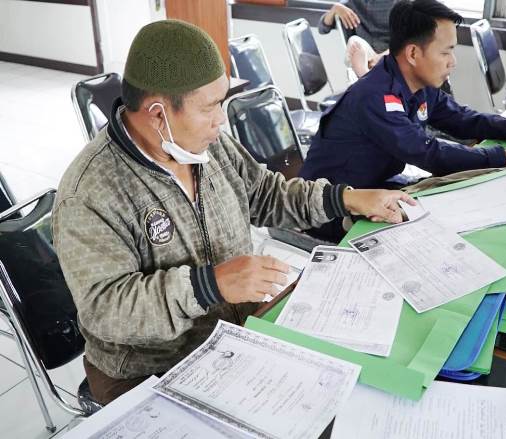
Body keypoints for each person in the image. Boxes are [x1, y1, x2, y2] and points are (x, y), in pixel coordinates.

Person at [52, 20, 414, 405]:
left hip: (234, 327)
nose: (220, 119)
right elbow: (106, 312)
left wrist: (346, 199)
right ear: (158, 114)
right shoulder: (91, 193)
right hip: (150, 368)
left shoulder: (201, 143)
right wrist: (210, 284)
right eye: (210, 107)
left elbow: (265, 193)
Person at [300, 0, 506, 189]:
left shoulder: (419, 85)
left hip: (376, 185)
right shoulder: (375, 96)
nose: (452, 62)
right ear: (413, 54)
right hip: (333, 205)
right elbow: (429, 153)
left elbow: (461, 118)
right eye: (445, 52)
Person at [318, 0, 396, 78]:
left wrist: (381, 58)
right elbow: (322, 28)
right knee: (354, 42)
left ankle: (367, 81)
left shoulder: (401, 3)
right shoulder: (353, 2)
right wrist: (335, 8)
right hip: (365, 59)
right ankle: (366, 79)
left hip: (393, 55)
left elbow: (406, 40)